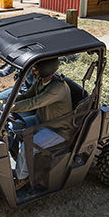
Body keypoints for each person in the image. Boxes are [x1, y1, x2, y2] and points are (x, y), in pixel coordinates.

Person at [10, 58, 72, 189]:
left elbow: (34, 103)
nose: (33, 72)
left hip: (57, 130)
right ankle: (17, 159)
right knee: (11, 127)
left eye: (35, 69)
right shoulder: (40, 80)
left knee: (26, 147)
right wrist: (9, 101)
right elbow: (28, 95)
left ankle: (21, 178)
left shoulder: (58, 88)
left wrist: (10, 107)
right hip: (40, 120)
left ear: (44, 70)